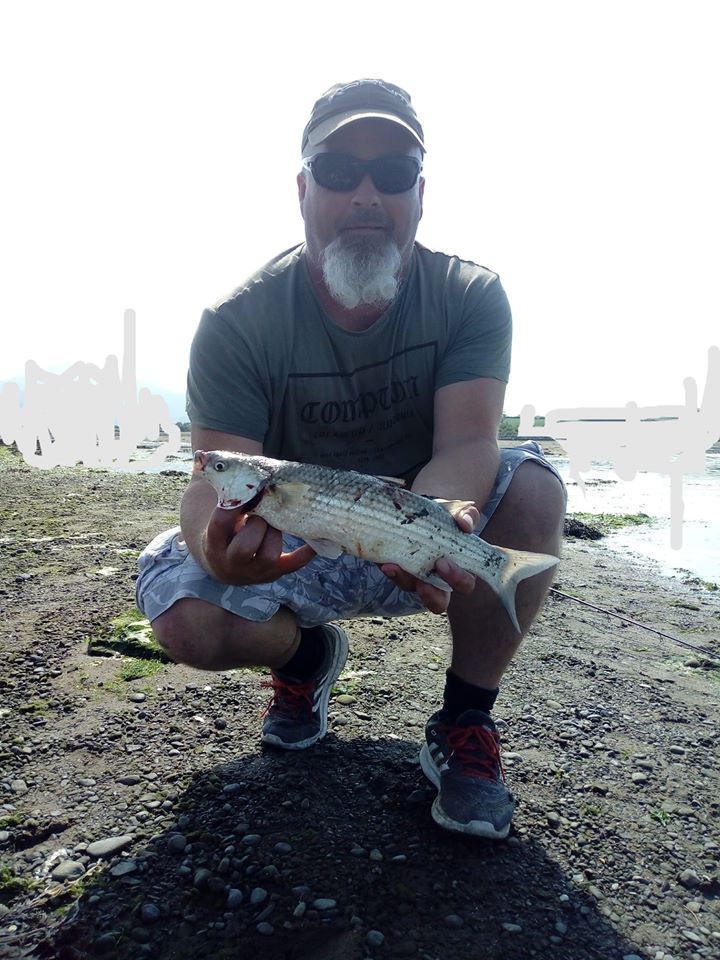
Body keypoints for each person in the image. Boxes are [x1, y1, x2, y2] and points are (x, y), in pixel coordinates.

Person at [136, 79, 566, 840]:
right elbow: (213, 477)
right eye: (338, 170)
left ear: (420, 193)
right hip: (298, 547)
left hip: (416, 536)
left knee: (532, 492)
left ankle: (466, 724)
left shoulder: (469, 294)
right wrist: (220, 550)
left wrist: (444, 520)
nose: (367, 192)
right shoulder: (236, 321)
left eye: (393, 172)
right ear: (303, 188)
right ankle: (304, 661)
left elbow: (470, 442)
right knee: (187, 621)